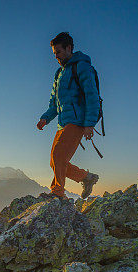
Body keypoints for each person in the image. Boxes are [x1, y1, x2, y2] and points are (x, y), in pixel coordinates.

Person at [36, 32, 100, 200]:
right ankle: (86, 177)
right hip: (62, 123)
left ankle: (58, 194)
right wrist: (45, 118)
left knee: (58, 156)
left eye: (58, 52)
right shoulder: (58, 74)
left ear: (69, 48)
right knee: (55, 162)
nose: (56, 56)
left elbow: (91, 95)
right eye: (54, 53)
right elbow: (54, 103)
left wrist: (89, 124)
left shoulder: (82, 67)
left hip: (78, 121)